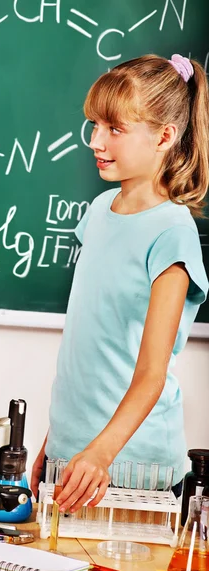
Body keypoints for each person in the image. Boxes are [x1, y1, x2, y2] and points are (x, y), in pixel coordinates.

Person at [31, 54, 209, 514]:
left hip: (129, 468)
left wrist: (100, 453)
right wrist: (57, 443)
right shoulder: (98, 212)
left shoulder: (172, 231)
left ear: (164, 137)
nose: (95, 140)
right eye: (94, 125)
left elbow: (151, 372)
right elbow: (88, 347)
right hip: (74, 459)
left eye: (114, 129)